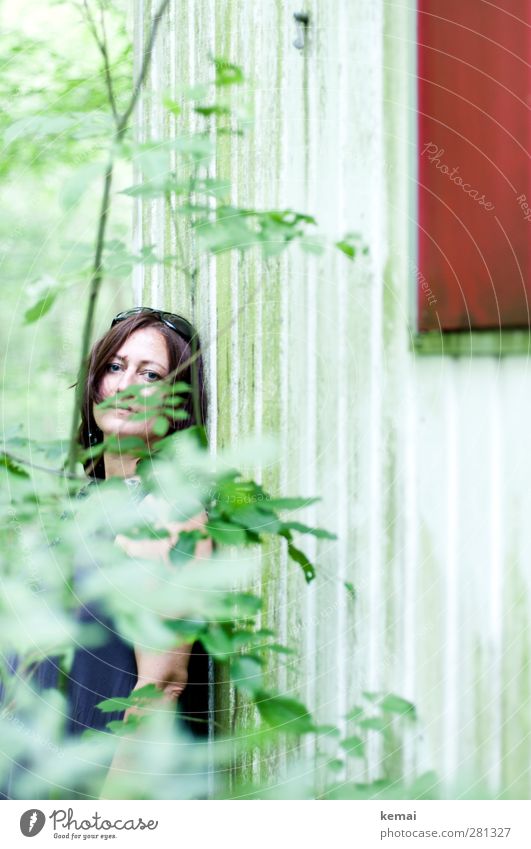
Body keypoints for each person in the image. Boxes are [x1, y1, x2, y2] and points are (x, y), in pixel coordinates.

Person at [42, 307, 212, 736]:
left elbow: (161, 687)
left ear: (180, 401)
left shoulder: (163, 513)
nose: (124, 386)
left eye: (150, 375)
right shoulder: (86, 504)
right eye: (115, 366)